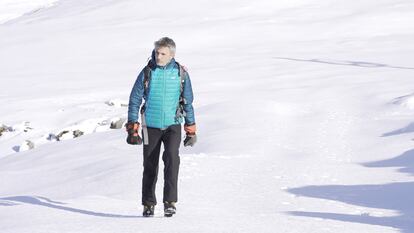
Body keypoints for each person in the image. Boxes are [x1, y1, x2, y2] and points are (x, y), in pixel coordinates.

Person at [126, 37, 197, 217]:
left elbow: (188, 102)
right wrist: (132, 129)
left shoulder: (181, 74)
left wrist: (191, 130)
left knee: (172, 161)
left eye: (162, 53)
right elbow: (134, 100)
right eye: (157, 52)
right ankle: (148, 204)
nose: (158, 56)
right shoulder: (147, 72)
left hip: (173, 125)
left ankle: (170, 202)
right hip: (150, 126)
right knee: (150, 165)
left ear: (171, 54)